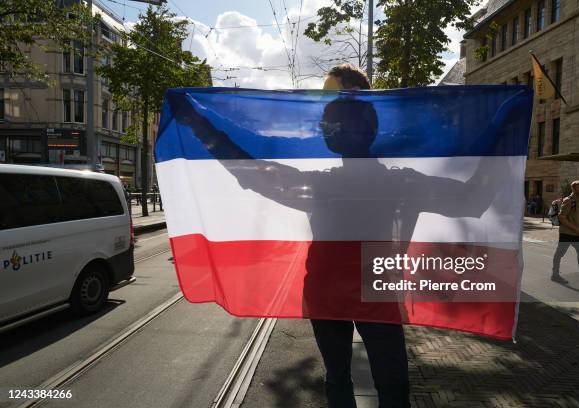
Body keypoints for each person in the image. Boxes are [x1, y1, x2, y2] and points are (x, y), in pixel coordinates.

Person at [169, 63, 511, 407]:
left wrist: (199, 124)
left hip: (326, 292)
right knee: (392, 384)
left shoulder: (322, 186)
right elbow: (474, 199)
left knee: (338, 378)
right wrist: (504, 132)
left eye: (332, 124)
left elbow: (254, 173)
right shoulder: (402, 184)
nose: (326, 129)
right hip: (374, 289)